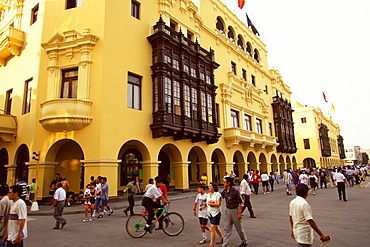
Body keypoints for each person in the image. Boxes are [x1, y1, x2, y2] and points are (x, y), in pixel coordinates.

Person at [221, 177, 248, 247]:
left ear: (228, 183)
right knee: (226, 228)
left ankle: (244, 241)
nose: (223, 183)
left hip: (235, 211)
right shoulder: (225, 190)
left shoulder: (235, 191)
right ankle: (224, 244)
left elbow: (240, 203)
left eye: (224, 182)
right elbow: (220, 197)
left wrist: (239, 213)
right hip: (227, 210)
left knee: (239, 228)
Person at [206, 182, 223, 247]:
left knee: (212, 228)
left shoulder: (217, 194)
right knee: (216, 227)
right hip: (210, 213)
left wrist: (211, 204)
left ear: (214, 187)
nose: (209, 187)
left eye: (210, 186)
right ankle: (221, 237)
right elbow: (206, 203)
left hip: (216, 213)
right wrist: (203, 206)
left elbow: (218, 204)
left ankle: (211, 244)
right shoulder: (208, 195)